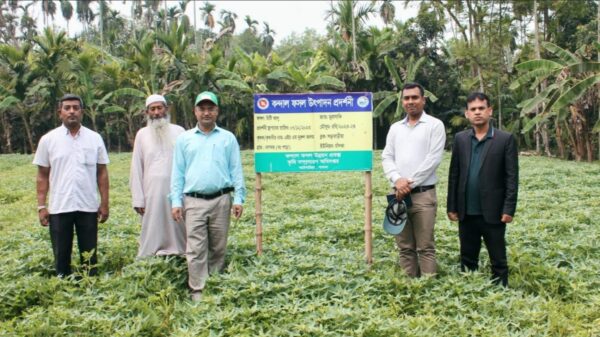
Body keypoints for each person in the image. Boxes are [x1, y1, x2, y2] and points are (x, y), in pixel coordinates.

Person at [170, 91, 246, 301]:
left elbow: (236, 169)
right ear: (195, 111)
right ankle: (198, 290)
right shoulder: (184, 139)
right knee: (195, 248)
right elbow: (177, 172)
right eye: (202, 109)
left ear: (216, 111)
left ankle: (215, 282)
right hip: (193, 201)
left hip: (222, 199)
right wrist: (175, 201)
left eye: (210, 108)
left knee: (218, 246)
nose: (206, 113)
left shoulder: (227, 138)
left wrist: (239, 198)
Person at [33, 94, 109, 277]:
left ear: (82, 112)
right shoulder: (48, 140)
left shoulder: (94, 138)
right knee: (61, 253)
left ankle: (90, 285)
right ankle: (63, 283)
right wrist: (42, 206)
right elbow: (42, 175)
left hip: (87, 205)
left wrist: (104, 203)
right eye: (67, 108)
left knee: (89, 253)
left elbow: (102, 173)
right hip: (60, 206)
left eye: (76, 107)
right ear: (60, 112)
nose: (72, 111)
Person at [447, 92, 518, 287]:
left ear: (489, 111)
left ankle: (500, 293)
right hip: (466, 211)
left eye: (481, 108)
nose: (477, 113)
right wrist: (451, 206)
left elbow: (511, 177)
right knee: (467, 258)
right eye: (473, 109)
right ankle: (470, 293)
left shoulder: (505, 139)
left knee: (498, 259)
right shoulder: (461, 139)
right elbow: (454, 175)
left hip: (493, 212)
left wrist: (508, 209)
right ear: (467, 114)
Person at [382, 82, 446, 278]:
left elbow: (433, 159)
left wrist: (407, 183)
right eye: (406, 98)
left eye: (415, 97)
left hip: (423, 196)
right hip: (398, 196)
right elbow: (387, 156)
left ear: (423, 100)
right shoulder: (395, 128)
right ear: (402, 101)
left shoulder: (435, 125)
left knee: (425, 246)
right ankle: (409, 289)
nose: (410, 101)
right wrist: (396, 179)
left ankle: (427, 289)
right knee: (405, 247)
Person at [129, 94, 186, 257]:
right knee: (152, 226)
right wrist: (138, 198)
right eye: (152, 109)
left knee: (178, 225)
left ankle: (180, 252)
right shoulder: (142, 134)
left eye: (159, 108)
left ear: (166, 109)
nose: (156, 112)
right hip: (150, 192)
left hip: (176, 191)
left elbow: (186, 164)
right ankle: (150, 254)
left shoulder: (179, 131)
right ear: (147, 112)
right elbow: (136, 167)